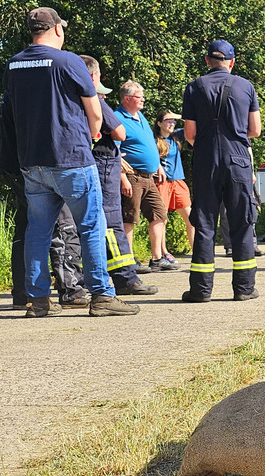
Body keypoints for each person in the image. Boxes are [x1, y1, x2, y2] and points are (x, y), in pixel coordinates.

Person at [2, 6, 137, 316]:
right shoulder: (69, 61)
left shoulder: (14, 64)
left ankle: (39, 301)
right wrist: (89, 137)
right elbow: (95, 113)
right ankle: (102, 296)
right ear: (57, 29)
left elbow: (9, 113)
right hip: (71, 157)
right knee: (91, 226)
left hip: (32, 162)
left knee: (38, 231)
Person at [180, 39, 261, 302]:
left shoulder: (194, 87)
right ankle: (244, 288)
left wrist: (208, 147)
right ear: (232, 62)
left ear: (207, 61)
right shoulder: (246, 86)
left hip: (206, 159)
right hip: (238, 159)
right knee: (242, 222)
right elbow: (255, 130)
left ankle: (201, 290)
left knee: (204, 223)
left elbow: (189, 134)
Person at [1, 93, 90, 310]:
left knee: (27, 229)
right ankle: (71, 290)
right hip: (41, 165)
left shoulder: (13, 93)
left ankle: (23, 294)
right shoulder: (43, 95)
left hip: (15, 164)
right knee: (63, 226)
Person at [80, 55, 157, 296]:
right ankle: (125, 279)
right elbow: (120, 133)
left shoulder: (60, 99)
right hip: (103, 164)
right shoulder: (94, 99)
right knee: (111, 222)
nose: (103, 96)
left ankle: (75, 282)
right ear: (92, 77)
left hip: (72, 165)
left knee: (73, 224)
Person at [115, 80, 178, 272]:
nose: (143, 99)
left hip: (149, 177)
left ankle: (157, 258)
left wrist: (157, 165)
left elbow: (149, 143)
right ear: (127, 99)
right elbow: (115, 151)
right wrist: (122, 178)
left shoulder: (140, 116)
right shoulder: (118, 118)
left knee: (159, 214)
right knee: (130, 217)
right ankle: (129, 260)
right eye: (139, 97)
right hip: (132, 176)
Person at [154, 109, 195, 262]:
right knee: (161, 220)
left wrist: (178, 116)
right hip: (162, 183)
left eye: (173, 121)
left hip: (178, 182)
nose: (171, 123)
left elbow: (193, 124)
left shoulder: (176, 136)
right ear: (159, 123)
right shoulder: (154, 140)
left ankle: (197, 252)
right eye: (167, 120)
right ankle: (164, 253)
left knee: (192, 219)